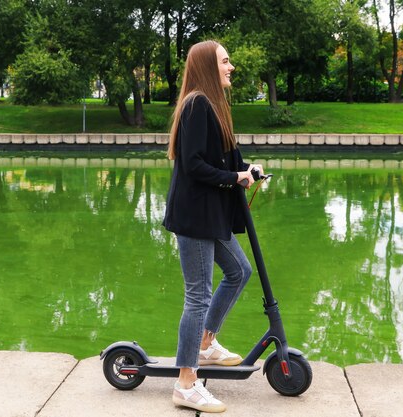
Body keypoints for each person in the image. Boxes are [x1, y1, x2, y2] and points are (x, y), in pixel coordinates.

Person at [163, 40, 264, 413]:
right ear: (208, 65)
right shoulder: (196, 105)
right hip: (194, 216)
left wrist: (247, 170)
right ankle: (186, 384)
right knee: (198, 297)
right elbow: (193, 165)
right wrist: (234, 177)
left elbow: (221, 158)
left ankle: (205, 344)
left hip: (211, 215)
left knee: (239, 271)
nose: (231, 66)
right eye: (225, 61)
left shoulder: (214, 106)